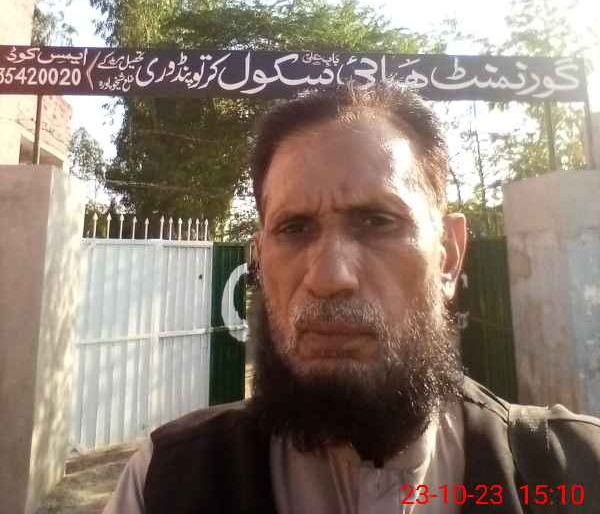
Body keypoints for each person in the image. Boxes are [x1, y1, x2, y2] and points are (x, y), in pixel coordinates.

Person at [103, 81, 600, 513]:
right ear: (260, 257)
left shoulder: (575, 472)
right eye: (294, 228)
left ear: (448, 254)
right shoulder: (165, 483)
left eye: (378, 222)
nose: (329, 278)